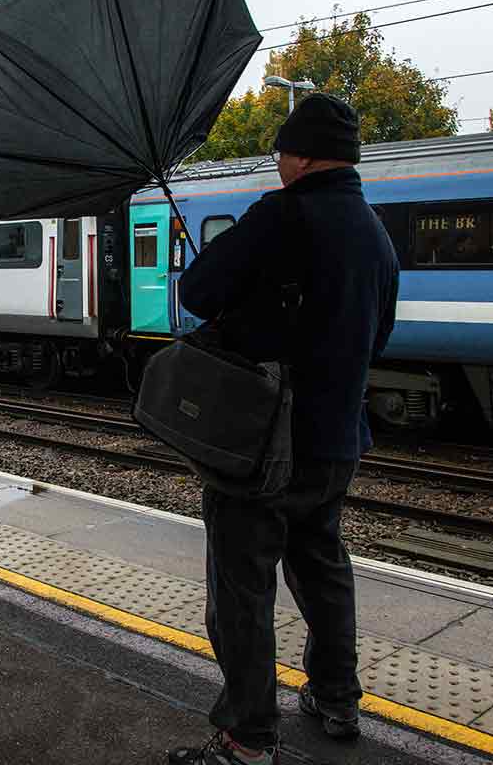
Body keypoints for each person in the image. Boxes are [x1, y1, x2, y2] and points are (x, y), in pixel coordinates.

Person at [167, 94, 400, 765]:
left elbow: (198, 292)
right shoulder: (376, 231)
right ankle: (335, 697)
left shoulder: (282, 215)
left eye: (281, 154)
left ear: (300, 155)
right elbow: (377, 337)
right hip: (336, 442)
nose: (279, 166)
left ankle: (247, 738)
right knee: (322, 567)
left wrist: (208, 262)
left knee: (242, 588)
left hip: (262, 445)